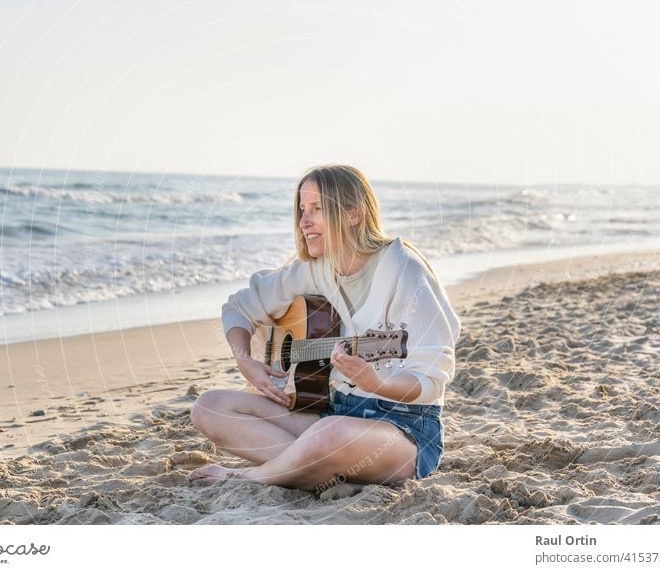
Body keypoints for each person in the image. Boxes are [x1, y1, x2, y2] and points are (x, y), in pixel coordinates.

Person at [189, 165, 461, 491]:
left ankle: (250, 476)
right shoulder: (318, 267)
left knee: (328, 435)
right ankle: (319, 472)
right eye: (302, 210)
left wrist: (377, 382)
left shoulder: (405, 271)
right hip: (333, 412)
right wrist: (244, 360)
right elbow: (239, 307)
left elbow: (430, 381)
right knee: (209, 407)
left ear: (353, 214)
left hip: (403, 429)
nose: (304, 221)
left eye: (317, 208)